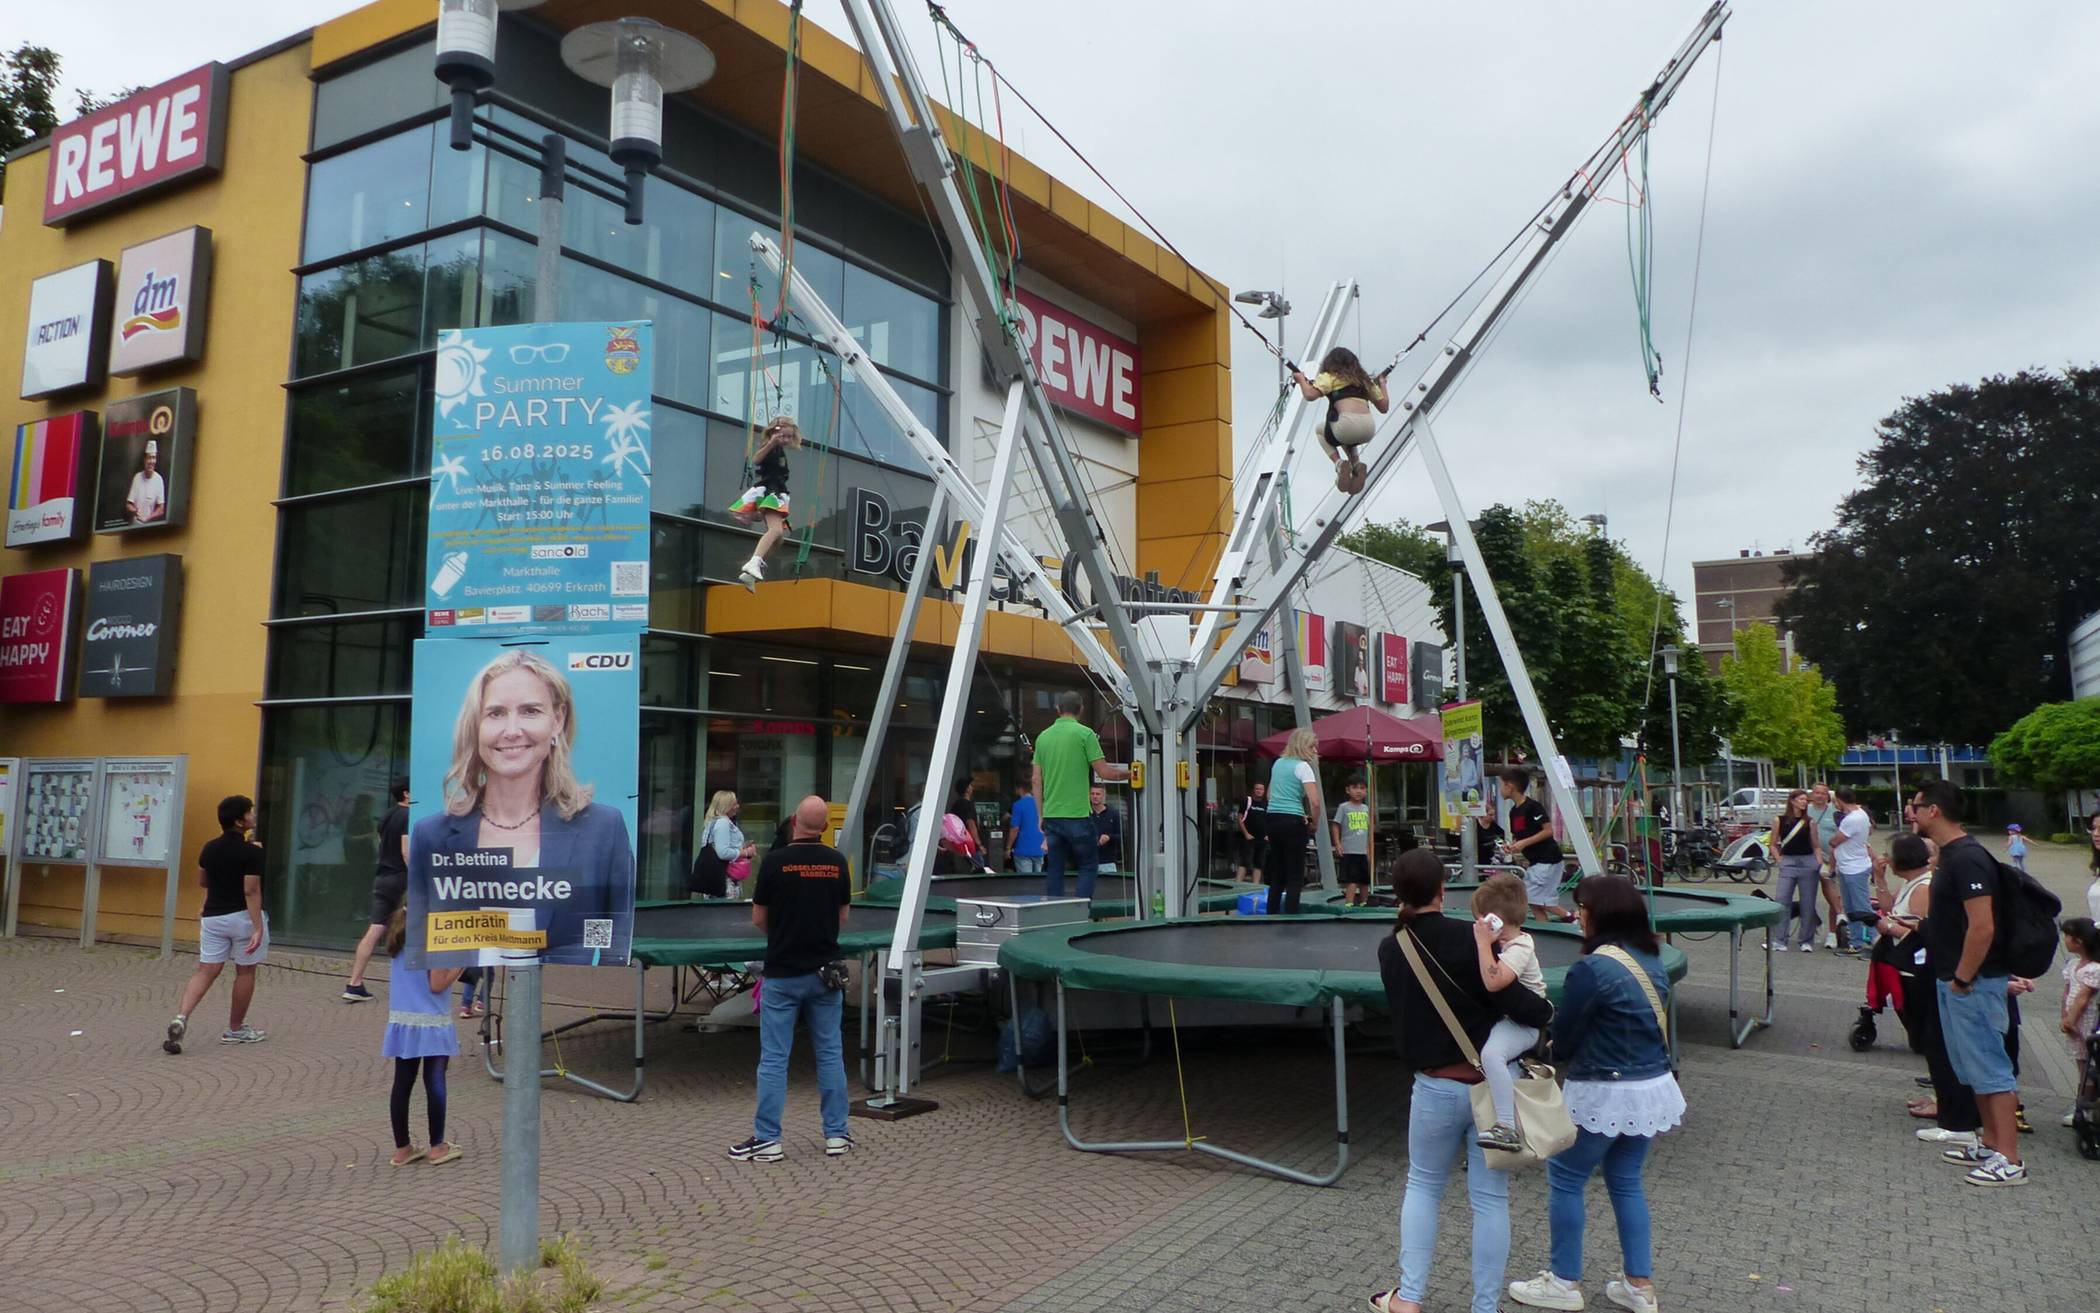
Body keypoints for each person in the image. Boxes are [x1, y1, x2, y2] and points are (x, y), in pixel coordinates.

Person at [1369, 850, 1553, 1313]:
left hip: (1435, 1086)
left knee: (1423, 1186)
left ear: (1397, 894)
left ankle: (1409, 1297)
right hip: (1493, 1087)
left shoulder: (1393, 947)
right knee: (1490, 1201)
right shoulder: (1476, 938)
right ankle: (1485, 1307)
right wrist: (1544, 1014)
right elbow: (1520, 1001)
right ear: (1441, 892)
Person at [1508, 875, 1684, 1313]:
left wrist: (1547, 1052)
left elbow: (1566, 1032)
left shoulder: (1592, 967)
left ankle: (1564, 1282)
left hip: (1604, 1086)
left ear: (1598, 914)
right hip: (1651, 1085)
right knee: (1626, 1182)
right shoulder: (1652, 957)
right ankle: (1639, 1285)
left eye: (1581, 908)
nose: (1577, 915)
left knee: (1566, 1178)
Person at [411, 649, 633, 960]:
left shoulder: (603, 829)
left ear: (557, 720)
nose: (512, 730)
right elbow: (425, 946)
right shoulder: (431, 835)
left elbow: (612, 931)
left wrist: (590, 967)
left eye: (530, 711)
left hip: (563, 1002)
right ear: (475, 726)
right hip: (473, 1005)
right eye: (496, 713)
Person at [1911, 779, 2027, 1186]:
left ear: (1934, 811)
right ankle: (1991, 1142)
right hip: (1954, 979)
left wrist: (1963, 977)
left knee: (1991, 1067)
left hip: (1972, 981)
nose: (1912, 813)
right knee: (1972, 1067)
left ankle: (2010, 1157)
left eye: (1916, 806)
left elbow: (1982, 927)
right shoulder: (1951, 857)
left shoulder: (1968, 859)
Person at [729, 795, 854, 1163]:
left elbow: (758, 918)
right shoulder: (836, 863)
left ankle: (768, 1138)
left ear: (795, 821)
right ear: (826, 826)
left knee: (774, 1058)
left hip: (783, 971)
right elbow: (842, 916)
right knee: (830, 1054)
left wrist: (782, 933)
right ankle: (837, 1135)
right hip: (825, 971)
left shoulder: (775, 862)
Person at [162, 796, 269, 1053]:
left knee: (205, 970)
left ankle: (182, 1017)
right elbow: (251, 891)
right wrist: (257, 927)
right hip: (242, 918)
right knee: (245, 972)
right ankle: (235, 1029)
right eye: (250, 813)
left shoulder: (209, 848)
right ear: (239, 821)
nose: (253, 816)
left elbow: (203, 881)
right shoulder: (252, 852)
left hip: (212, 918)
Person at [379, 908, 465, 1167]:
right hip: (431, 1021)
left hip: (403, 1020)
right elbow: (437, 984)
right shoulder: (433, 939)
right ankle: (437, 1146)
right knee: (435, 1080)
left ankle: (402, 1148)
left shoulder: (400, 938)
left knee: (402, 1084)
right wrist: (462, 962)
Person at [1469, 873, 1548, 1153]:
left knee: (1492, 1055)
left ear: (1495, 921)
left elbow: (1495, 980)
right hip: (1512, 1020)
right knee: (1495, 1059)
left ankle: (1507, 1126)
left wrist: (1481, 943)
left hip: (1524, 1024)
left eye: (1482, 919)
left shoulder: (1520, 946)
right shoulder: (1507, 945)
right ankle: (1500, 1118)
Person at [1033, 691, 1131, 901]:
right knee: (1088, 866)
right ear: (1081, 710)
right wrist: (1132, 773)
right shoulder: (1085, 734)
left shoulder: (1043, 737)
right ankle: (1079, 911)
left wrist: (1040, 815)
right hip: (1077, 815)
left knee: (1055, 869)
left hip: (1052, 816)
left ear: (1057, 709)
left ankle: (1055, 912)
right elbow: (1105, 772)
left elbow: (1036, 780)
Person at [343, 778, 413, 1002]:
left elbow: (382, 842)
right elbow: (405, 851)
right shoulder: (407, 816)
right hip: (401, 879)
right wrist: (418, 876)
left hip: (382, 877)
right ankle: (410, 987)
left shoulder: (386, 816)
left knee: (375, 929)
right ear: (407, 794)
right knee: (411, 929)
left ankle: (354, 983)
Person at [1290, 347, 1391, 493]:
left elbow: (1310, 395)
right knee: (1344, 432)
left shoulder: (1329, 377)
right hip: (1368, 429)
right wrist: (1382, 384)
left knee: (1321, 429)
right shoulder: (1365, 381)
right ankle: (1356, 463)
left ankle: (1338, 463)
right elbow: (1384, 407)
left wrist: (1300, 380)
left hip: (1346, 427)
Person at [728, 416, 802, 590]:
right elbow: (756, 460)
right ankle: (753, 562)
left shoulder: (780, 451)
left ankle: (751, 570)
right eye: (783, 436)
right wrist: (771, 443)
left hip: (777, 492)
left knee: (779, 539)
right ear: (774, 433)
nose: (786, 440)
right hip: (770, 491)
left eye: (789, 437)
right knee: (775, 530)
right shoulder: (771, 447)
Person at [1496, 767, 1568, 923]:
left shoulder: (1534, 807)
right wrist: (1513, 846)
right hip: (1537, 861)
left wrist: (1523, 843)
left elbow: (1548, 831)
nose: (1500, 789)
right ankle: (1545, 929)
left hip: (1548, 859)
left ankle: (1570, 917)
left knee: (1534, 898)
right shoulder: (1513, 812)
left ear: (1510, 786)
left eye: (1501, 785)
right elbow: (1521, 836)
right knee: (1536, 903)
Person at [1264, 728, 1324, 915]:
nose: (1315, 751)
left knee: (1278, 873)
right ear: (1302, 746)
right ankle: (1291, 916)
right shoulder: (1303, 767)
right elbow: (1314, 801)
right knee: (1295, 875)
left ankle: (1271, 913)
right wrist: (1314, 823)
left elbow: (1269, 794)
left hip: (1273, 819)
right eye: (1312, 747)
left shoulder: (1278, 763)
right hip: (1292, 820)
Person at [2057, 917, 2100, 1127]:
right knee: (2082, 1064)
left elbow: (2083, 998)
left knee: (2089, 1065)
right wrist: (2064, 1016)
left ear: (2079, 941)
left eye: (2068, 936)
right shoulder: (2073, 964)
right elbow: (2067, 993)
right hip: (2074, 1020)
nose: (2065, 940)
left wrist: (2070, 1019)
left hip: (2086, 1022)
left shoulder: (2093, 969)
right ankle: (2081, 1104)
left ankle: (2085, 1105)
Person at [1769, 789, 1820, 952]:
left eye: (1806, 800)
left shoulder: (1810, 822)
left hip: (1807, 861)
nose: (1804, 802)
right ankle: (1780, 939)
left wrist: (1818, 862)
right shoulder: (1780, 820)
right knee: (1782, 899)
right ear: (1792, 801)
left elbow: (1816, 845)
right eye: (1801, 799)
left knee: (1808, 902)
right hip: (1788, 861)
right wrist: (1779, 859)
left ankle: (1806, 940)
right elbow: (1773, 842)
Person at [1830, 787, 1876, 956]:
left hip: (1854, 867)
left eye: (1836, 800)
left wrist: (1831, 839)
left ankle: (1874, 941)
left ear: (1840, 800)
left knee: (1862, 906)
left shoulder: (1852, 818)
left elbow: (1836, 840)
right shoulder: (1861, 813)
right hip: (1847, 865)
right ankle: (1855, 942)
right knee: (1850, 907)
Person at [1807, 782, 1846, 950]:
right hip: (1808, 857)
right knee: (1807, 896)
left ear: (1827, 796)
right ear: (1812, 794)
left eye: (1823, 793)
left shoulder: (1835, 813)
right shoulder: (1805, 810)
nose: (1820, 795)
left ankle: (1832, 933)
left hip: (1830, 859)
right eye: (1816, 792)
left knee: (1833, 894)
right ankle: (1810, 928)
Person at [696, 790, 756, 899]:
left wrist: (741, 846)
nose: (737, 806)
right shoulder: (723, 823)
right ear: (726, 805)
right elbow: (723, 853)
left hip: (717, 877)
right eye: (734, 804)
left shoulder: (714, 822)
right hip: (725, 879)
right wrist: (746, 852)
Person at [1332, 775, 1374, 907]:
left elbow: (1370, 830)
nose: (1358, 791)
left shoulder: (1367, 809)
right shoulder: (1344, 807)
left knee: (1364, 880)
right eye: (1355, 788)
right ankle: (1349, 904)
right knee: (1352, 879)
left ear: (1366, 791)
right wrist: (1337, 844)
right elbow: (1335, 825)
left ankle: (1364, 903)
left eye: (1362, 788)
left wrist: (1369, 848)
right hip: (1349, 850)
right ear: (1347, 790)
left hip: (1363, 850)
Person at [125, 439, 167, 525]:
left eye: (153, 458)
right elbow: (128, 504)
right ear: (144, 460)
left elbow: (161, 509)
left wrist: (147, 518)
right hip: (134, 524)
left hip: (149, 526)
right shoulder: (137, 478)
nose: (151, 461)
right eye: (149, 458)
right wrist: (134, 510)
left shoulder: (158, 480)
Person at [1235, 781, 1269, 885]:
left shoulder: (1266, 804)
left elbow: (1269, 820)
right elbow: (1240, 818)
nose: (1259, 791)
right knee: (1245, 862)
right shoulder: (1247, 801)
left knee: (1258, 863)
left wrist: (1268, 835)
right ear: (1253, 790)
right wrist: (1246, 834)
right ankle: (1237, 884)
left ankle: (1255, 886)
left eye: (1261, 789)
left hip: (1262, 839)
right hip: (1249, 837)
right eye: (1257, 789)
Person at [1009, 782, 1046, 874]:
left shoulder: (1018, 805)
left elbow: (1015, 829)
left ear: (1020, 789)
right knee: (1037, 881)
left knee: (1025, 881)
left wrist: (1008, 847)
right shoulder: (1042, 804)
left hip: (1023, 849)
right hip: (1039, 848)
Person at [1090, 785, 1122, 880]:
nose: (1095, 796)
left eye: (1098, 794)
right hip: (1087, 862)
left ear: (1103, 795)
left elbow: (1122, 836)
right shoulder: (1085, 814)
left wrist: (1109, 837)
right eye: (1092, 793)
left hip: (1108, 862)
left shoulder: (1114, 814)